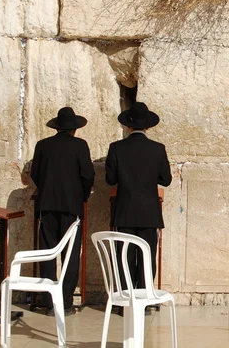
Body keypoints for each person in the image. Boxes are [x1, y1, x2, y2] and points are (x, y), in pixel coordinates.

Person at [31, 107, 95, 316]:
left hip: (46, 206)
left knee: (47, 253)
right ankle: (65, 302)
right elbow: (87, 175)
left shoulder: (43, 145)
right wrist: (81, 196)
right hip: (71, 208)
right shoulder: (80, 146)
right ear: (74, 129)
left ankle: (49, 302)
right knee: (70, 255)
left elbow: (35, 173)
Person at [106, 102, 172, 289]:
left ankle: (126, 300)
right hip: (149, 213)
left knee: (124, 258)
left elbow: (110, 179)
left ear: (128, 125)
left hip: (124, 212)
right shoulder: (158, 149)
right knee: (147, 256)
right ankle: (145, 299)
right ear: (148, 126)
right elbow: (166, 179)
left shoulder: (116, 148)